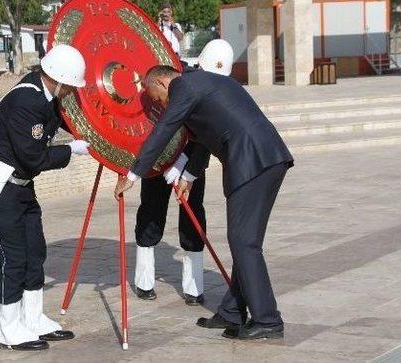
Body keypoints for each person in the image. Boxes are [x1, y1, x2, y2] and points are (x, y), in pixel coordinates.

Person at [114, 64, 293, 341]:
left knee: (244, 242)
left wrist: (133, 173)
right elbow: (203, 138)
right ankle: (232, 311)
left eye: (157, 97)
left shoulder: (183, 87)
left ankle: (267, 319)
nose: (161, 103)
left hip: (253, 161)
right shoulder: (204, 83)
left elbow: (163, 130)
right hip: (264, 158)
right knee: (244, 241)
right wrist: (188, 175)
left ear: (162, 82)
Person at [0, 44, 91, 351]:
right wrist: (68, 151)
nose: (73, 92)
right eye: (71, 86)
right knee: (12, 258)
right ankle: (8, 330)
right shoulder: (27, 101)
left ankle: (32, 320)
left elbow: (62, 123)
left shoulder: (46, 96)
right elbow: (33, 157)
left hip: (19, 187)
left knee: (35, 253)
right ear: (58, 79)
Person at [134, 40, 234, 306]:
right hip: (158, 157)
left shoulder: (215, 89)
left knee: (193, 218)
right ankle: (144, 280)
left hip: (192, 161)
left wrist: (186, 168)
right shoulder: (180, 82)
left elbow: (205, 136)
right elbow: (161, 125)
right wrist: (156, 163)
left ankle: (194, 286)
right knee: (151, 212)